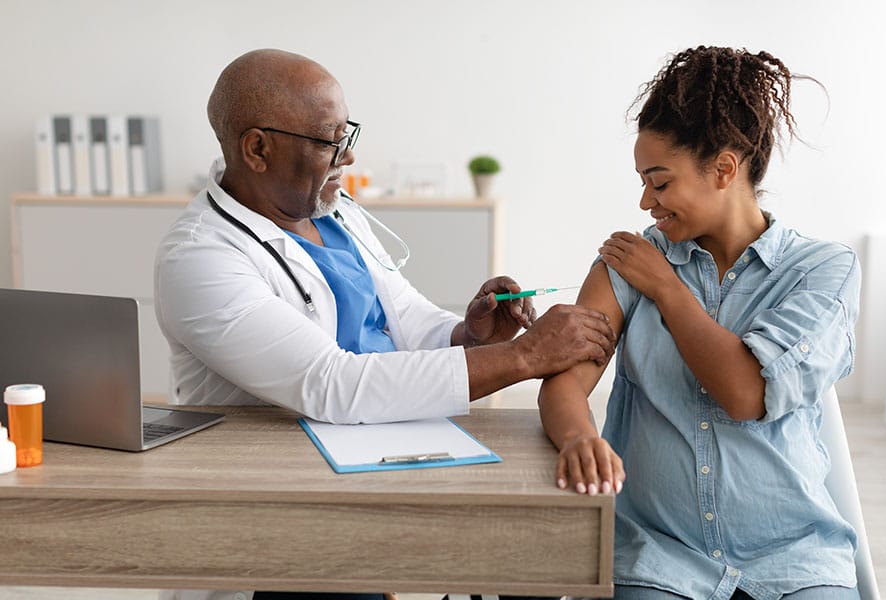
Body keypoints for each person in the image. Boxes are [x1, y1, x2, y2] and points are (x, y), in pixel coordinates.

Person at [154, 48, 616, 600]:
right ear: (257, 149)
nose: (347, 157)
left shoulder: (334, 213)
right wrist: (525, 358)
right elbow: (333, 384)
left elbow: (404, 318)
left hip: (380, 447)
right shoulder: (200, 257)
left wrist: (468, 335)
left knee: (523, 552)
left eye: (347, 133)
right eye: (330, 140)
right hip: (281, 501)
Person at [538, 46, 861, 600]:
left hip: (795, 559)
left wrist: (666, 287)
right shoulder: (628, 262)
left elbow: (746, 392)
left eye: (660, 183)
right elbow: (566, 379)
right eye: (643, 181)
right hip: (657, 558)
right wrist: (578, 438)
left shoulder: (823, 270)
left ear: (724, 169)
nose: (646, 201)